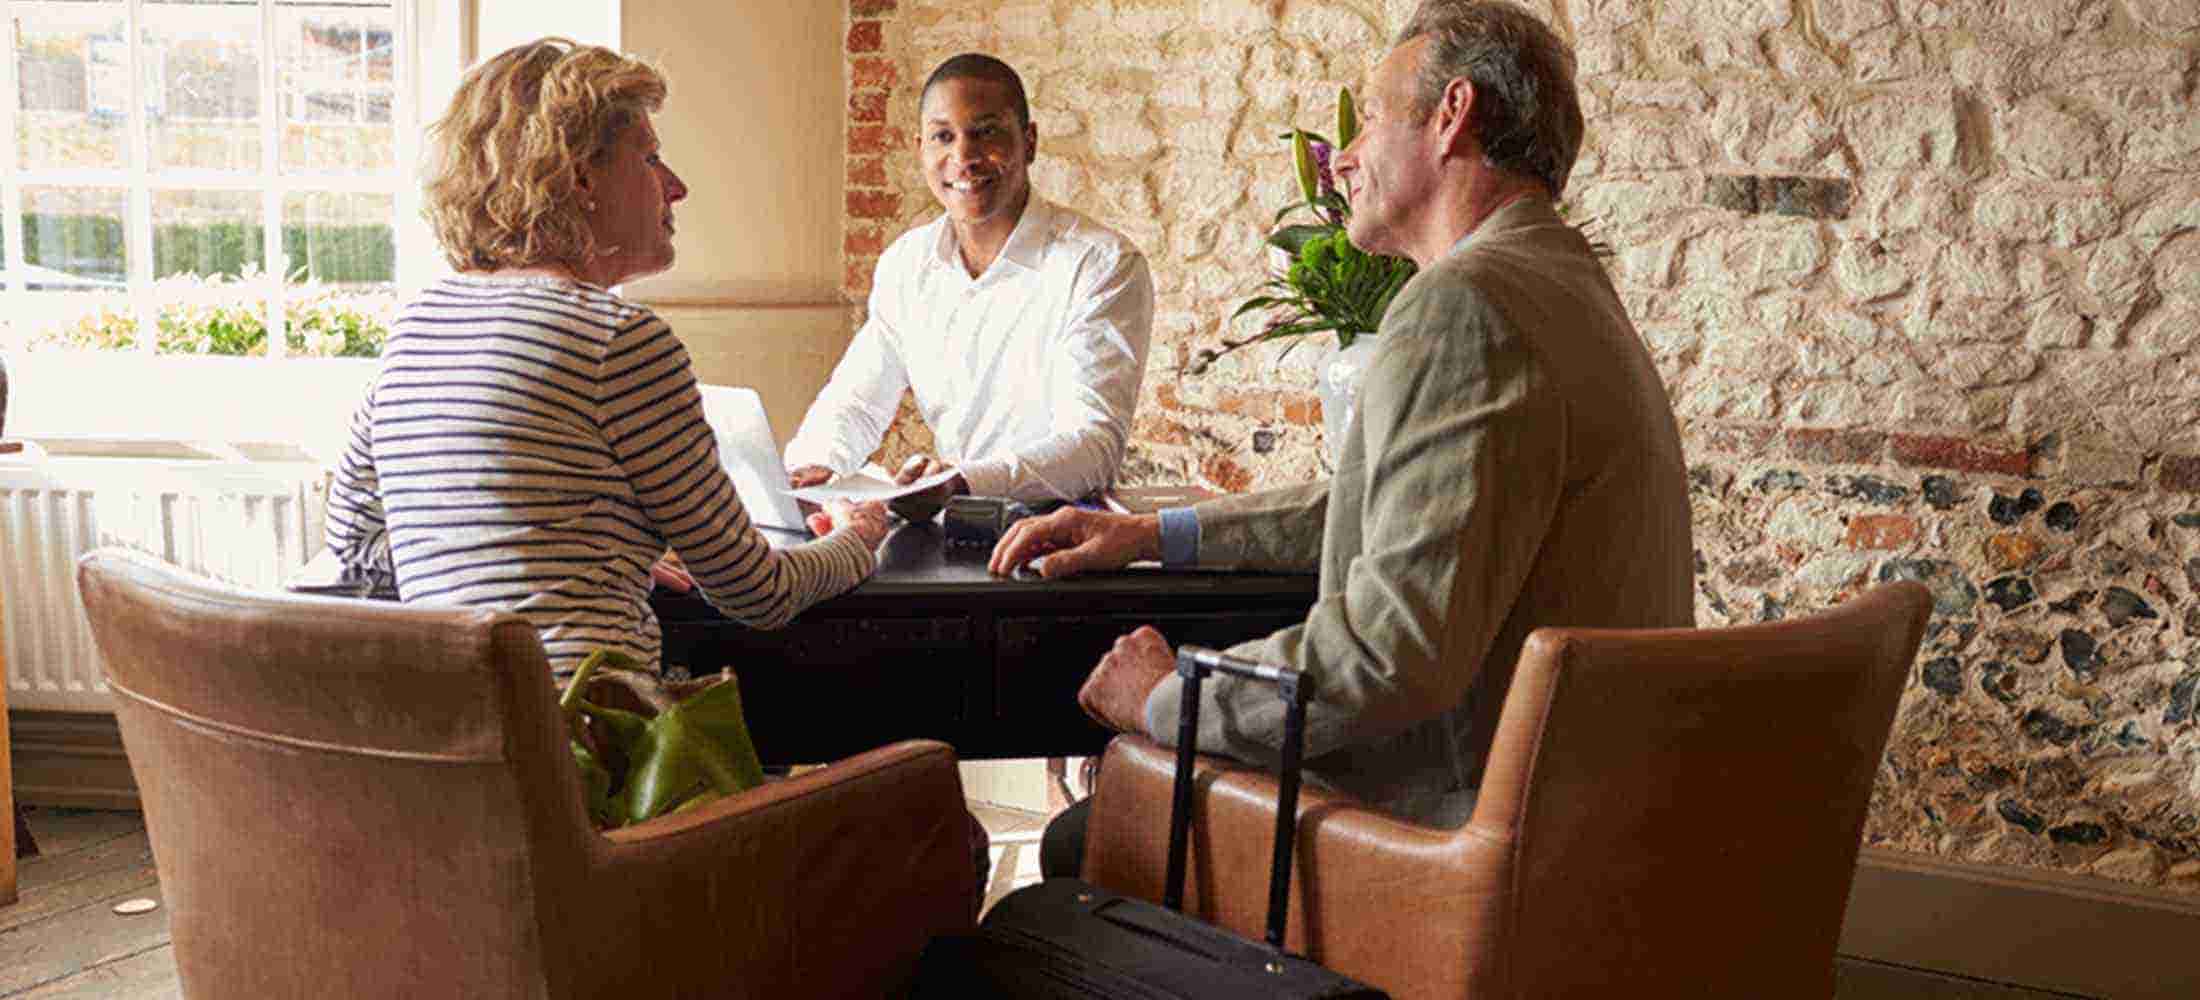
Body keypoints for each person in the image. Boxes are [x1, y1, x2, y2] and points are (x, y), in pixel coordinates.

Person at [992, 0, 1695, 872]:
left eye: (1369, 121)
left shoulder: (1463, 305)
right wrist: (1151, 534)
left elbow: (1388, 653)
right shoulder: (1561, 280)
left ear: (1452, 115)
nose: (1347, 158)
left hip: (1453, 850)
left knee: (1086, 839)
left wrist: (1172, 697)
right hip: (1583, 830)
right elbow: (1407, 509)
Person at [324, 39, 890, 679]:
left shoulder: (420, 326)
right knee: (906, 767)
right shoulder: (618, 341)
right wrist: (859, 538)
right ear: (579, 179)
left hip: (462, 756)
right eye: (650, 159)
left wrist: (564, 558)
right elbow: (758, 592)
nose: (676, 187)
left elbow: (357, 545)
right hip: (595, 755)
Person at [783, 53, 1154, 516]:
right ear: (921, 148)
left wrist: (961, 481)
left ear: (1030, 142)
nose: (963, 158)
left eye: (986, 132)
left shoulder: (1101, 265)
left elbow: (1092, 446)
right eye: (943, 136)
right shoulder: (906, 264)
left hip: (1061, 537)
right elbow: (856, 402)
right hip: (950, 529)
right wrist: (814, 465)